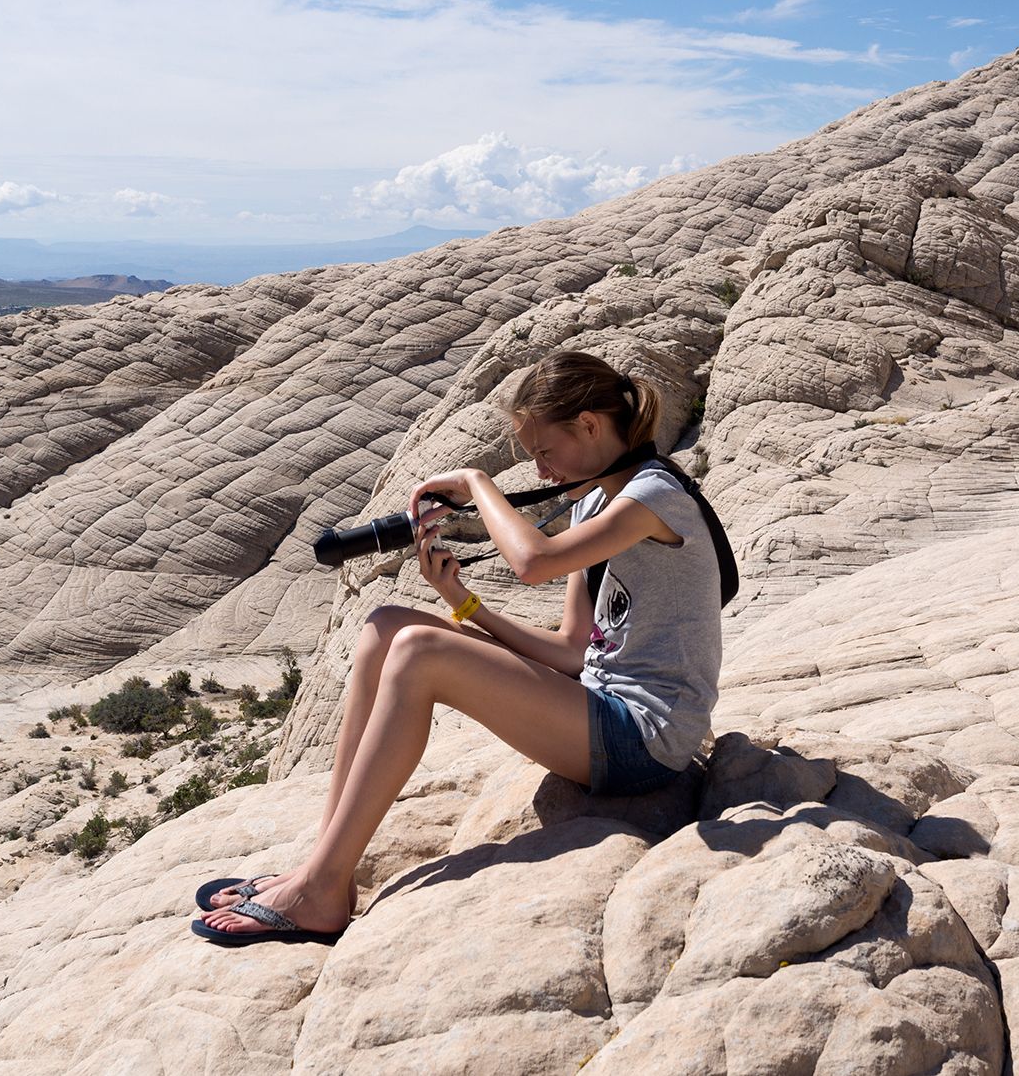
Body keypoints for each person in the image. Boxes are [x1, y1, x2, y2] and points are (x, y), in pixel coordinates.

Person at [192, 351, 724, 945]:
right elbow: (574, 650)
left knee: (420, 652)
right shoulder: (597, 501)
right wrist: (464, 602)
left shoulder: (655, 497)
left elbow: (533, 562)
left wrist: (477, 483)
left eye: (545, 452)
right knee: (387, 627)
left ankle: (317, 891)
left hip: (646, 740)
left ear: (592, 426)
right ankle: (327, 867)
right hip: (599, 709)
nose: (544, 473)